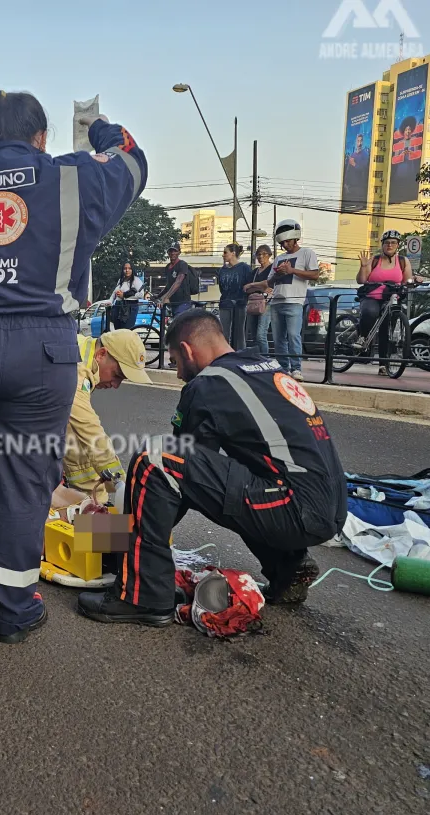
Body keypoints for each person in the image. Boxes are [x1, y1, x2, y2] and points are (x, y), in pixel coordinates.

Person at [0, 87, 147, 644]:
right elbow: (133, 162)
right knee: (24, 482)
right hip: (43, 351)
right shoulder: (73, 179)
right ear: (40, 137)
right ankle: (13, 612)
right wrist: (101, 130)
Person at [77, 310, 347, 626]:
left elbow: (170, 481)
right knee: (250, 476)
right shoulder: (263, 367)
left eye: (176, 361)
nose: (179, 374)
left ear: (188, 350)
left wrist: (111, 538)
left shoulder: (208, 384)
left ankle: (143, 597)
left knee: (156, 455)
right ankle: (289, 567)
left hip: (292, 508)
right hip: (330, 508)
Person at [65, 330, 151, 497]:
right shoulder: (77, 371)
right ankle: (92, 513)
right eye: (117, 375)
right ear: (101, 354)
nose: (116, 385)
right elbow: (88, 429)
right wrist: (118, 483)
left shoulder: (83, 348)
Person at [242, 219, 319, 382]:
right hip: (276, 301)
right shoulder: (278, 259)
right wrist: (278, 273)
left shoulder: (307, 253)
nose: (285, 245)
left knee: (293, 335)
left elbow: (315, 274)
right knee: (278, 338)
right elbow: (269, 282)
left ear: (296, 238)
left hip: (295, 301)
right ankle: (284, 367)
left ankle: (296, 367)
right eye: (282, 242)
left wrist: (292, 270)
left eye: (288, 241)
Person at [356, 230, 413, 376]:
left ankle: (383, 365)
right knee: (371, 312)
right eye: (387, 242)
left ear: (398, 245)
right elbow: (361, 280)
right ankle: (362, 337)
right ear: (382, 245)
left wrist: (415, 281)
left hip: (392, 298)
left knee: (386, 331)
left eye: (393, 243)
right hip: (373, 296)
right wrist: (363, 267)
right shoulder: (375, 260)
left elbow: (407, 281)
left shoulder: (402, 261)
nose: (390, 245)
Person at [216, 242, 252, 351]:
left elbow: (249, 286)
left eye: (225, 252)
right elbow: (221, 288)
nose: (223, 255)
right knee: (224, 332)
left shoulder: (245, 268)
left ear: (233, 253)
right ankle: (225, 354)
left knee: (239, 332)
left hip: (240, 303)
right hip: (225, 303)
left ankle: (240, 355)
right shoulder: (222, 270)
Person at [244, 245, 274, 355]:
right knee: (253, 334)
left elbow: (270, 284)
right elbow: (246, 289)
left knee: (261, 334)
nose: (261, 256)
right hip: (253, 303)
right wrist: (261, 286)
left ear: (269, 255)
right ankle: (257, 358)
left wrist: (252, 285)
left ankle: (264, 358)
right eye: (258, 254)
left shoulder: (272, 269)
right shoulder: (255, 272)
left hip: (267, 303)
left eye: (264, 254)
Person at [157, 242, 192, 316]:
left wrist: (166, 297)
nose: (172, 253)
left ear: (179, 252)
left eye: (175, 251)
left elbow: (178, 282)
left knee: (178, 323)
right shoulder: (167, 267)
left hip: (183, 303)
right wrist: (158, 296)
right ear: (168, 253)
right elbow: (168, 286)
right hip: (173, 303)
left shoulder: (182, 264)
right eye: (171, 251)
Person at [107, 261, 143, 329]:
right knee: (118, 330)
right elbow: (114, 293)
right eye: (125, 268)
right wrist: (110, 301)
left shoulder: (136, 280)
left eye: (129, 268)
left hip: (129, 307)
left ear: (132, 269)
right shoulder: (121, 280)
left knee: (126, 331)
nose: (127, 270)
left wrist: (124, 295)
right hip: (118, 306)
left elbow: (141, 294)